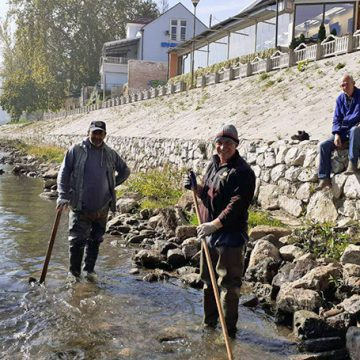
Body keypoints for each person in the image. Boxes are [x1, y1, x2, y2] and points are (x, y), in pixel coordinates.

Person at [183, 124, 255, 339]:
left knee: (229, 286)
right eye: (220, 143)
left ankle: (228, 333)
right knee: (208, 282)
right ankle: (209, 325)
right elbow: (208, 196)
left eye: (228, 144)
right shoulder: (212, 165)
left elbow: (237, 205)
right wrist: (196, 188)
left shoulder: (243, 172)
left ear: (236, 146)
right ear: (215, 144)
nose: (223, 147)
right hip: (209, 234)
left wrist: (215, 224)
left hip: (230, 236)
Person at [57, 120, 130, 280]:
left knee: (96, 240)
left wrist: (112, 184)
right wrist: (62, 195)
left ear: (105, 135)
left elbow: (125, 170)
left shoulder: (110, 153)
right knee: (76, 241)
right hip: (79, 206)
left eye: (100, 133)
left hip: (102, 207)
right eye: (94, 133)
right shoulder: (75, 150)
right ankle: (74, 275)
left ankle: (89, 271)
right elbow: (64, 173)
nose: (97, 136)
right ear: (88, 132)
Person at [317, 73, 360, 189]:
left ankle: (352, 164)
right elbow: (336, 118)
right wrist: (336, 134)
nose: (344, 87)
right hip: (342, 131)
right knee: (323, 145)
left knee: (355, 130)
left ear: (353, 83)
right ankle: (324, 178)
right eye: (342, 85)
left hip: (356, 129)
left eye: (346, 84)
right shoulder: (340, 99)